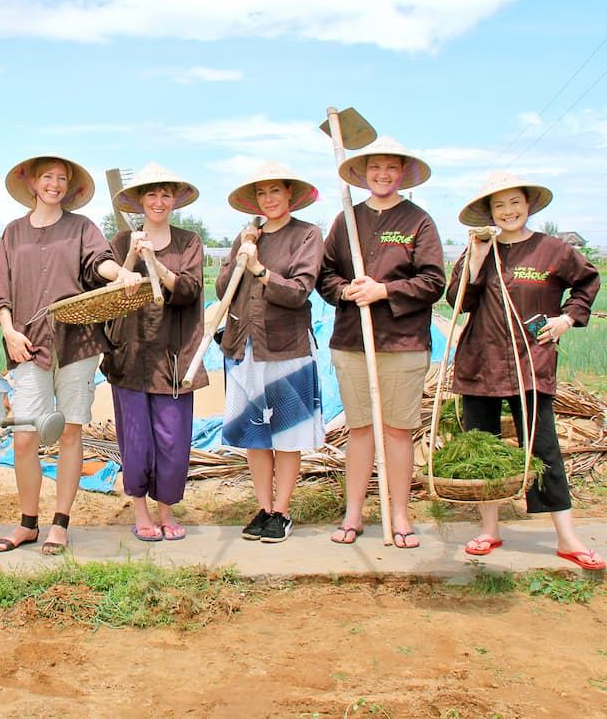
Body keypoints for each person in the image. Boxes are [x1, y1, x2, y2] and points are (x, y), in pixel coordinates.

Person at [449, 172, 603, 570]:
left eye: (515, 202)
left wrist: (567, 319)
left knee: (544, 448)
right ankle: (489, 530)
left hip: (529, 362)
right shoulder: (479, 250)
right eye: (499, 205)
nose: (508, 211)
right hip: (480, 361)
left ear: (528, 205)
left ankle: (567, 538)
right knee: (482, 448)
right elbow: (458, 302)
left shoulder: (552, 250)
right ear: (489, 213)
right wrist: (478, 258)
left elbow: (587, 283)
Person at [0, 154, 142, 555]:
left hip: (77, 344)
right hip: (27, 344)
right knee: (25, 438)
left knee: (71, 430)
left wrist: (123, 274)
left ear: (69, 187)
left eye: (62, 179)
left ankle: (60, 523)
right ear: (33, 183)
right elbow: (1, 289)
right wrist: (8, 331)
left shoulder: (82, 228)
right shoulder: (13, 233)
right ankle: (27, 523)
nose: (54, 184)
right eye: (47, 178)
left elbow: (101, 263)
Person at [317, 137, 445, 548]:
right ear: (363, 173)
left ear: (403, 173)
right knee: (359, 430)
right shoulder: (346, 221)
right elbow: (325, 276)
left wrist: (384, 291)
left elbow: (433, 281)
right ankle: (353, 514)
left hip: (403, 343)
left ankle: (400, 515)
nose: (383, 175)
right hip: (353, 342)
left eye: (392, 168)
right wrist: (348, 291)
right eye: (375, 168)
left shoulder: (418, 221)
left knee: (397, 431)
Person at [219, 163, 325, 543]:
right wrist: (242, 252)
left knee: (287, 433)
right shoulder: (248, 236)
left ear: (290, 195)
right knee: (254, 434)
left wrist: (261, 270)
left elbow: (299, 292)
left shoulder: (307, 235)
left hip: (285, 348)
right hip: (245, 346)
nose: (269, 199)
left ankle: (281, 511)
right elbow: (222, 289)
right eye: (262, 194)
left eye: (276, 191)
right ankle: (263, 508)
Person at [101, 163, 206, 542]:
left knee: (173, 439)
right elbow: (108, 285)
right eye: (151, 195)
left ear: (174, 200)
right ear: (140, 201)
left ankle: (167, 509)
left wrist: (157, 265)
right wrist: (132, 258)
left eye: (165, 194)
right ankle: (141, 510)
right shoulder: (121, 240)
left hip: (173, 355)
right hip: (130, 355)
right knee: (136, 438)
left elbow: (190, 289)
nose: (159, 201)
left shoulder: (189, 241)